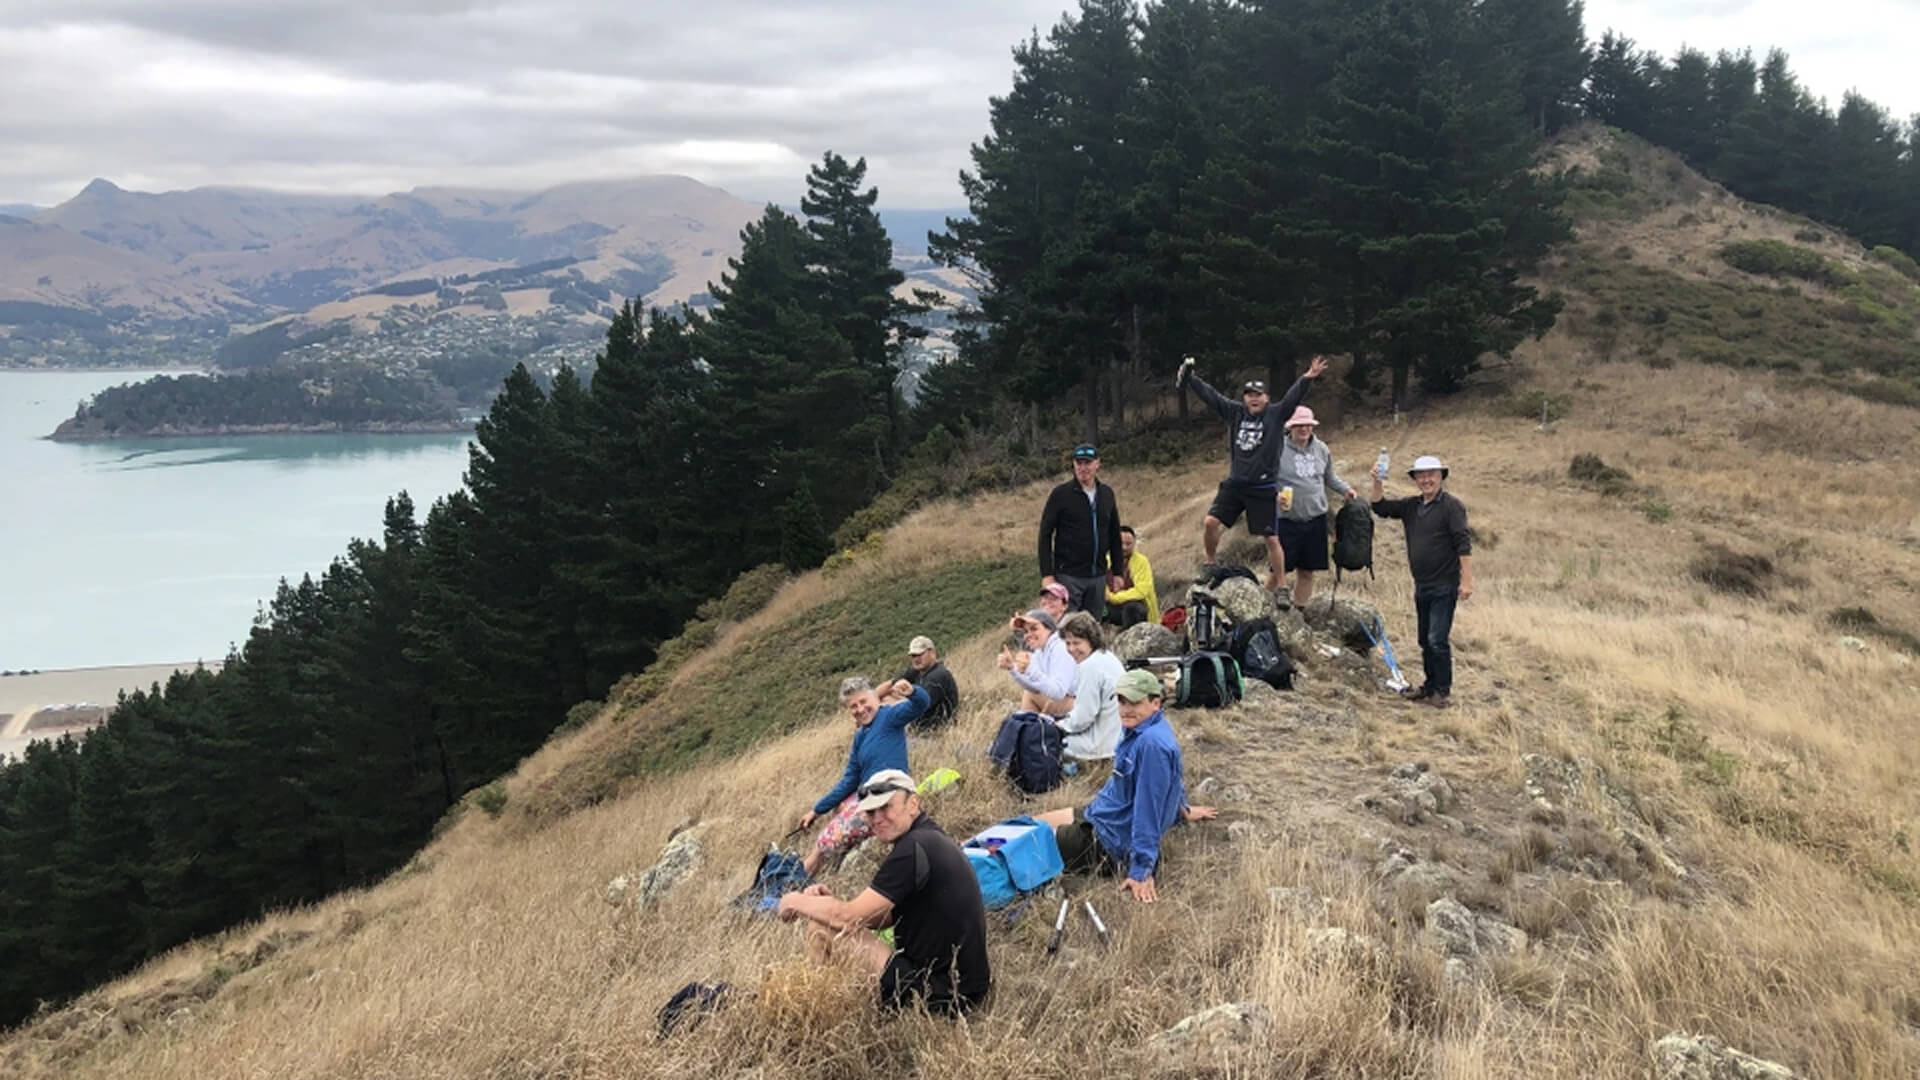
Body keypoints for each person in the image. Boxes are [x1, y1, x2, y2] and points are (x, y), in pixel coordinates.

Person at [778, 769, 991, 1016]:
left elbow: (847, 918)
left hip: (941, 995)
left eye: (886, 807)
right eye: (870, 812)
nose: (877, 818)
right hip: (964, 989)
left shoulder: (912, 849)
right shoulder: (929, 838)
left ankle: (812, 1008)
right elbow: (883, 919)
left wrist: (794, 900)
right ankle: (819, 1000)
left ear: (913, 803)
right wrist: (827, 904)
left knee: (822, 929)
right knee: (828, 920)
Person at [1036, 669, 1217, 904]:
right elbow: (1173, 780)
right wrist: (1184, 810)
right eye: (1121, 701)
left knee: (1023, 843)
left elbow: (1148, 810)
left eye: (1134, 702)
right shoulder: (1140, 727)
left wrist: (1141, 870)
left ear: (1155, 703)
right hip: (1099, 814)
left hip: (1107, 842)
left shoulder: (1152, 745)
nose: (1126, 708)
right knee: (1029, 824)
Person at [1178, 355, 1329, 591]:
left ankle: (1281, 587)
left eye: (1258, 395)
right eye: (1250, 395)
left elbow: (1292, 399)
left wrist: (1307, 378)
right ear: (1245, 398)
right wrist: (1191, 379)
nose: (1254, 399)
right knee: (1210, 522)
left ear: (1266, 399)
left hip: (1263, 487)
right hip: (1236, 484)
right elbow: (1212, 397)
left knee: (1271, 539)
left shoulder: (1276, 415)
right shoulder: (1235, 412)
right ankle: (1209, 563)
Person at [796, 677, 930, 877]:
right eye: (853, 706)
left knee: (823, 844)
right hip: (867, 795)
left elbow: (922, 704)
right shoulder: (861, 734)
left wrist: (912, 691)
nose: (860, 709)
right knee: (838, 811)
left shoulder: (890, 716)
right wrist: (816, 810)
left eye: (863, 702)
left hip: (887, 797)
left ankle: (794, 882)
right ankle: (807, 874)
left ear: (875, 698)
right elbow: (850, 779)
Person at [1370, 454, 1474, 709]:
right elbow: (1380, 507)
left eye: (1432, 475)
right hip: (1422, 584)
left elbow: (1463, 543)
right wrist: (1377, 481)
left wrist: (1467, 581)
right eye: (1421, 475)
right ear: (1415, 479)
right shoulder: (1412, 506)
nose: (1426, 480)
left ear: (1441, 477)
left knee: (1437, 639)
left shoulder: (1452, 506)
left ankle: (1442, 691)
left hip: (1445, 583)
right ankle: (1429, 687)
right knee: (1424, 640)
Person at [1273, 405, 1361, 608]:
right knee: (1278, 572)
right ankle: (1264, 612)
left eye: (1307, 425)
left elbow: (1330, 477)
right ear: (1290, 427)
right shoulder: (1278, 448)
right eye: (1299, 425)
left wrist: (1346, 490)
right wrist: (1274, 496)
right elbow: (1265, 479)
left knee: (1307, 571)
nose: (1303, 429)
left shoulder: (1321, 449)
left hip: (1315, 519)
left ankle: (1299, 612)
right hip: (1286, 519)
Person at [1037, 444, 1123, 618]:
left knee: (1091, 630)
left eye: (1088, 463)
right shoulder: (1061, 494)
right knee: (1066, 629)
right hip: (1068, 576)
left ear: (1097, 464)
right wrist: (1047, 574)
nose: (1083, 468)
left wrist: (1118, 571)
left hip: (1098, 577)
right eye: (1079, 463)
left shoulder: (1106, 494)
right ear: (1074, 464)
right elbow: (1045, 534)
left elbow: (1114, 534)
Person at [1040, 612, 1123, 762]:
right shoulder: (1107, 657)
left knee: (1041, 743)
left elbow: (1084, 717)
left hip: (1099, 745)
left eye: (1077, 643)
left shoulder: (1090, 667)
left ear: (1091, 640)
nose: (1071, 649)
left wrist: (1059, 725)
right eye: (1068, 643)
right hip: (1116, 737)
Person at [998, 608, 1076, 717]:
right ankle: (1028, 729)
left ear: (1049, 628)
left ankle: (1027, 729)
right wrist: (1012, 668)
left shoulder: (1060, 647)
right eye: (1025, 631)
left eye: (1034, 629)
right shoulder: (1040, 651)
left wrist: (1031, 671)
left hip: (1082, 703)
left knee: (1030, 696)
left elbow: (1058, 692)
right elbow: (1034, 687)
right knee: (1030, 694)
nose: (1028, 635)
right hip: (1070, 701)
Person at [887, 635, 959, 729]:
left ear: (932, 653)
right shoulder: (917, 670)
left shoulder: (938, 676)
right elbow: (889, 685)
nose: (916, 659)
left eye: (920, 654)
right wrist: (875, 698)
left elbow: (917, 705)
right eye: (913, 655)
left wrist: (885, 706)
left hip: (934, 732)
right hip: (917, 728)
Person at [1104, 526, 1160, 629]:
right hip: (1112, 607)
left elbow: (1142, 590)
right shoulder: (1105, 561)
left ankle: (1129, 641)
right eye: (1121, 543)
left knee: (1133, 609)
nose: (1124, 547)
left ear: (1134, 544)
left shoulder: (1142, 562)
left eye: (1128, 544)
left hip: (1134, 606)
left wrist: (1114, 598)